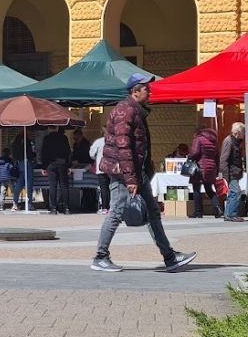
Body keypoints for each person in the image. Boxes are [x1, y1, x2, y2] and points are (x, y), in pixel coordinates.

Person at [93, 73, 197, 273]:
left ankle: (170, 257)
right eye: (146, 89)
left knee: (153, 213)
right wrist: (130, 178)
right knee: (116, 213)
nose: (149, 92)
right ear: (135, 91)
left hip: (137, 173)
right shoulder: (125, 111)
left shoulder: (135, 111)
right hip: (123, 174)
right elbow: (123, 147)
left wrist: (145, 170)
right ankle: (100, 256)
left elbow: (139, 147)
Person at [189, 126, 221, 218]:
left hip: (200, 167)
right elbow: (217, 156)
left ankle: (198, 212)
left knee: (196, 189)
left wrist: (189, 157)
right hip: (211, 167)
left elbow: (195, 153)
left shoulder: (198, 139)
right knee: (209, 189)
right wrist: (216, 169)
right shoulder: (214, 141)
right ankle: (218, 209)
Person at [219, 122, 246, 222]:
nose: (244, 133)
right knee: (236, 192)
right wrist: (225, 175)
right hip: (231, 172)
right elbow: (223, 159)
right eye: (243, 131)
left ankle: (228, 215)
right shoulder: (229, 141)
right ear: (238, 132)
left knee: (232, 194)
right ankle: (232, 214)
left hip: (234, 172)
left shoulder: (236, 142)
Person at [41, 126, 71, 214]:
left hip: (50, 164)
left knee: (52, 186)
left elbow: (43, 153)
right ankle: (66, 208)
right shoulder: (64, 138)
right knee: (64, 186)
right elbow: (68, 152)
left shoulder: (46, 138)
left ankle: (53, 208)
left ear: (49, 128)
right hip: (62, 163)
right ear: (57, 128)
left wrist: (43, 167)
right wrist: (69, 165)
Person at [10, 131, 36, 210]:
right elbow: (30, 153)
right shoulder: (26, 142)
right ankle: (29, 203)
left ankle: (15, 203)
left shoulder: (15, 142)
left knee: (19, 183)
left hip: (19, 163)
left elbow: (14, 155)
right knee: (29, 183)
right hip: (27, 162)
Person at [89, 129, 110, 214]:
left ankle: (105, 208)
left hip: (101, 168)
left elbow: (91, 154)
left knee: (103, 188)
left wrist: (97, 158)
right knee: (112, 188)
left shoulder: (98, 142)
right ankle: (112, 207)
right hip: (112, 169)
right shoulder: (114, 141)